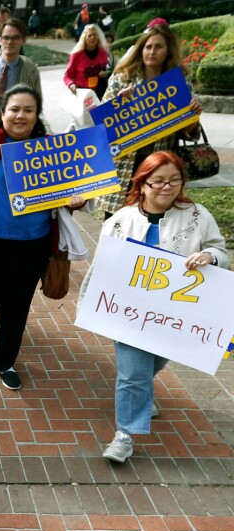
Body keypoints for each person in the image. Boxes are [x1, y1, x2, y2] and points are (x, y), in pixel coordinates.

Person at [0, 50, 85, 391]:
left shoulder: (50, 150)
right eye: (14, 109)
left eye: (28, 110)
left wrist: (75, 201)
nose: (20, 116)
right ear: (2, 113)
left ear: (37, 115)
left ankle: (4, 361)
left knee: (15, 307)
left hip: (31, 246)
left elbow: (70, 191)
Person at [86, 151, 229, 463]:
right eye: (159, 181)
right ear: (143, 183)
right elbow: (103, 265)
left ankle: (141, 393)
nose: (167, 187)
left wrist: (210, 257)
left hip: (175, 313)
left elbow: (220, 249)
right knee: (132, 371)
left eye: (174, 181)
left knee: (156, 361)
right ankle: (124, 435)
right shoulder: (122, 220)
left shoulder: (197, 215)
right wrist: (94, 302)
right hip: (129, 311)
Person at [93, 23, 202, 220]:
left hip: (158, 164)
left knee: (152, 219)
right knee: (118, 221)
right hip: (124, 165)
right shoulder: (121, 78)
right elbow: (102, 125)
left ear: (168, 51)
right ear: (140, 49)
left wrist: (192, 115)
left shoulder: (178, 83)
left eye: (159, 47)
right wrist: (120, 104)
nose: (152, 52)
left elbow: (189, 132)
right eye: (148, 46)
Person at [0, 18, 41, 97]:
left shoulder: (31, 71)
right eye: (6, 37)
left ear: (24, 40)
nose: (10, 42)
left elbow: (37, 103)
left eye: (15, 38)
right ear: (0, 40)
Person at [64, 24, 111, 99]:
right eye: (90, 35)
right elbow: (67, 76)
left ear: (98, 37)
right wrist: (71, 84)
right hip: (83, 93)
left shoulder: (104, 52)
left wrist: (106, 73)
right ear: (84, 38)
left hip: (101, 92)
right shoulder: (76, 55)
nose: (92, 38)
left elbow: (110, 69)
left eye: (95, 35)